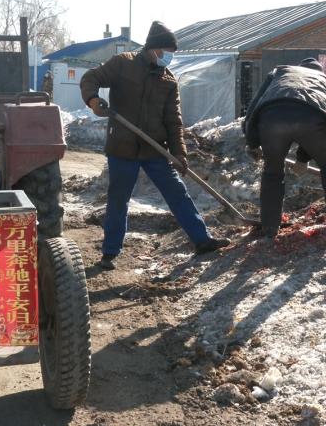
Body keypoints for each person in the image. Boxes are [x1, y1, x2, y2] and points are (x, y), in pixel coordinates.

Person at [81, 21, 229, 270]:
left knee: (177, 194)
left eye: (171, 53)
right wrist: (94, 101)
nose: (168, 57)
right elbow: (90, 78)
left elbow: (174, 121)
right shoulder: (122, 64)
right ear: (152, 49)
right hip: (123, 146)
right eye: (165, 51)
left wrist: (179, 152)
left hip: (154, 150)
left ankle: (202, 240)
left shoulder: (168, 81)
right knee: (119, 199)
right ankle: (110, 252)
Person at [242, 58, 326, 239]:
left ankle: (270, 227)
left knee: (272, 172)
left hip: (272, 118)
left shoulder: (280, 71)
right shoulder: (325, 80)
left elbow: (253, 107)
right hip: (311, 117)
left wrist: (252, 142)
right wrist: (303, 158)